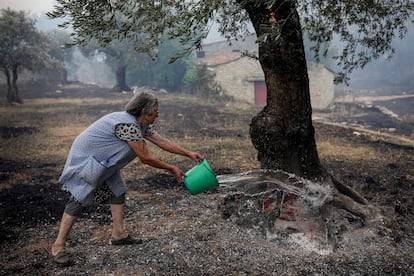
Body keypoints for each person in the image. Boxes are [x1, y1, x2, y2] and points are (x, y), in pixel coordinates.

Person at [51, 92, 203, 266]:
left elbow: (161, 141)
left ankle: (119, 234)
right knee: (79, 197)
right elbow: (145, 158)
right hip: (88, 161)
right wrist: (171, 168)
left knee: (118, 191)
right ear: (144, 111)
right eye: (155, 110)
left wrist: (188, 153)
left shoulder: (141, 124)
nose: (158, 114)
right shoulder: (127, 125)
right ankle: (58, 245)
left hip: (106, 162)